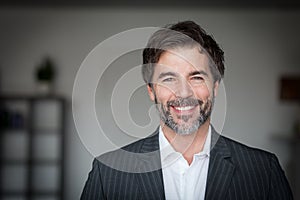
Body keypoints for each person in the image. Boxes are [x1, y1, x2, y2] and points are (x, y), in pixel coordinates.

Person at [81, 21, 293, 200]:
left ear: (215, 87)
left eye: (197, 77)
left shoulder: (264, 172)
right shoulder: (107, 173)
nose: (183, 92)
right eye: (169, 78)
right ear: (151, 91)